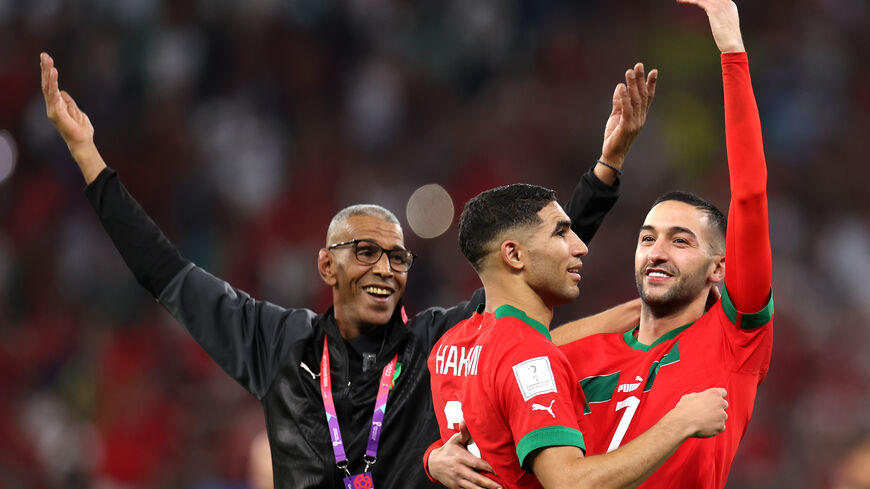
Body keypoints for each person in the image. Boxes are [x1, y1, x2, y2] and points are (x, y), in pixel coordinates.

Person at [40, 50, 653, 488]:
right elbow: (166, 274)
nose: (385, 267)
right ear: (326, 266)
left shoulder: (439, 344)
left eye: (397, 256)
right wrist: (89, 157)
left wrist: (607, 164)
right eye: (365, 252)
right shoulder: (276, 341)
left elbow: (527, 259)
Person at [556, 1, 774, 487]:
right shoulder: (583, 354)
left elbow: (752, 196)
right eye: (648, 238)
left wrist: (732, 53)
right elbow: (496, 375)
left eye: (681, 240)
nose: (657, 251)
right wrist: (439, 455)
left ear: (719, 268)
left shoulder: (733, 341)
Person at [428, 183, 730, 489]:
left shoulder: (449, 347)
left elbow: (452, 437)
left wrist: (430, 459)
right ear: (514, 255)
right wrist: (680, 422)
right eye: (561, 233)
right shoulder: (529, 355)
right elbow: (570, 483)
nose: (581, 246)